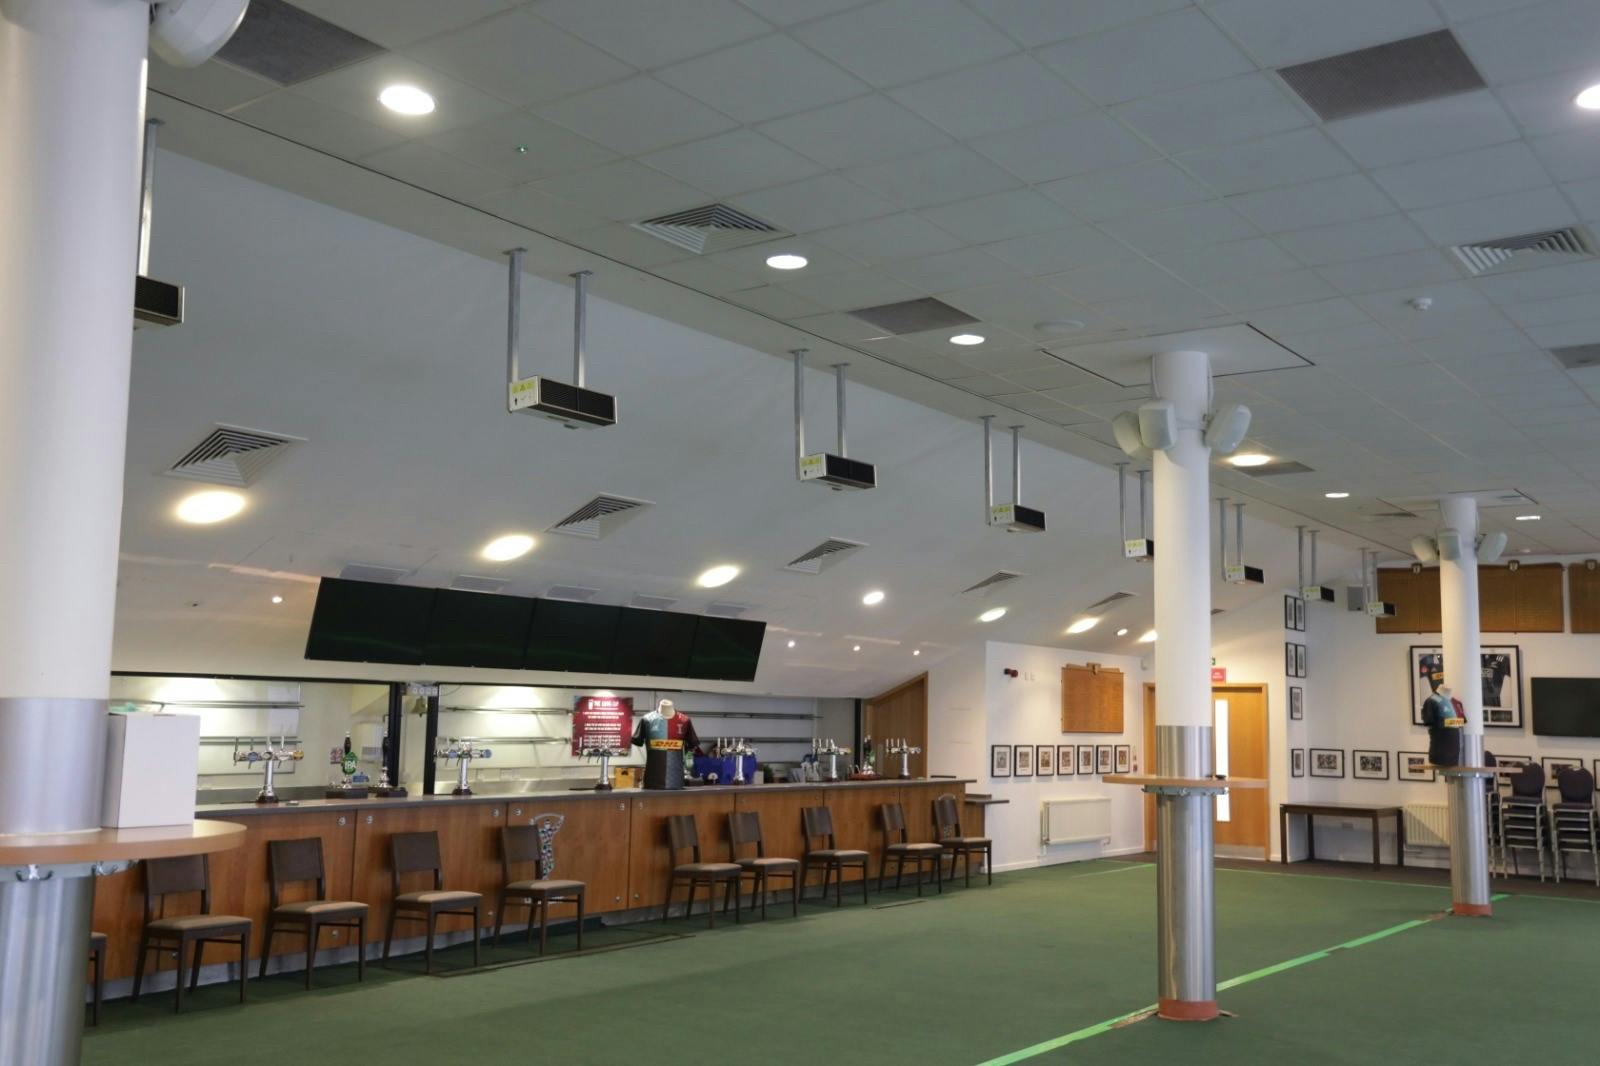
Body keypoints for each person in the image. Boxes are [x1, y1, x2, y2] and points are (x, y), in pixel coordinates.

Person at [630, 698, 699, 790]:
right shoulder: (646, 719)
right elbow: (637, 741)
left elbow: (692, 744)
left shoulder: (685, 720)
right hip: (652, 781)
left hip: (676, 781)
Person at [1421, 683, 1463, 767]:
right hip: (1440, 754)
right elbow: (1429, 722)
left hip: (1455, 756)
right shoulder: (1431, 701)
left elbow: (1461, 723)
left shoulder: (1457, 703)